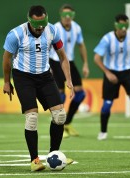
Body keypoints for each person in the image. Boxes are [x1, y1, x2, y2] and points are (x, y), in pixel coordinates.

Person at [3, 5, 74, 171]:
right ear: (29, 21)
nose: (40, 28)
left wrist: (68, 79)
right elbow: (6, 59)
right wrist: (7, 81)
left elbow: (63, 57)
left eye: (43, 23)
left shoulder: (53, 30)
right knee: (32, 118)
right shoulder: (15, 34)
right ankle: (34, 160)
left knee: (60, 116)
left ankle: (53, 155)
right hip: (23, 77)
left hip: (45, 77)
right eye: (37, 25)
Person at [49, 4, 89, 138]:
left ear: (73, 16)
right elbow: (47, 46)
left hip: (70, 62)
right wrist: (48, 66)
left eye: (70, 15)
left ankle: (67, 123)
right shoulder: (55, 28)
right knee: (60, 96)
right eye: (65, 15)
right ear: (61, 15)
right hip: (55, 61)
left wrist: (85, 64)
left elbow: (81, 45)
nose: (67, 17)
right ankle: (58, 124)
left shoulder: (77, 28)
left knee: (80, 94)